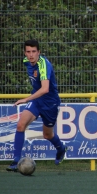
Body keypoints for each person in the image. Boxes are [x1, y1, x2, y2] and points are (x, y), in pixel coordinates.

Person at [6, 39, 66, 172]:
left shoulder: (43, 64)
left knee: (47, 135)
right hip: (37, 101)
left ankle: (61, 149)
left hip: (50, 103)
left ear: (39, 52)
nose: (31, 55)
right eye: (28, 52)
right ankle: (16, 161)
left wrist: (26, 99)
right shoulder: (26, 62)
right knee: (21, 125)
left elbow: (45, 89)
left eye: (34, 51)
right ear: (24, 53)